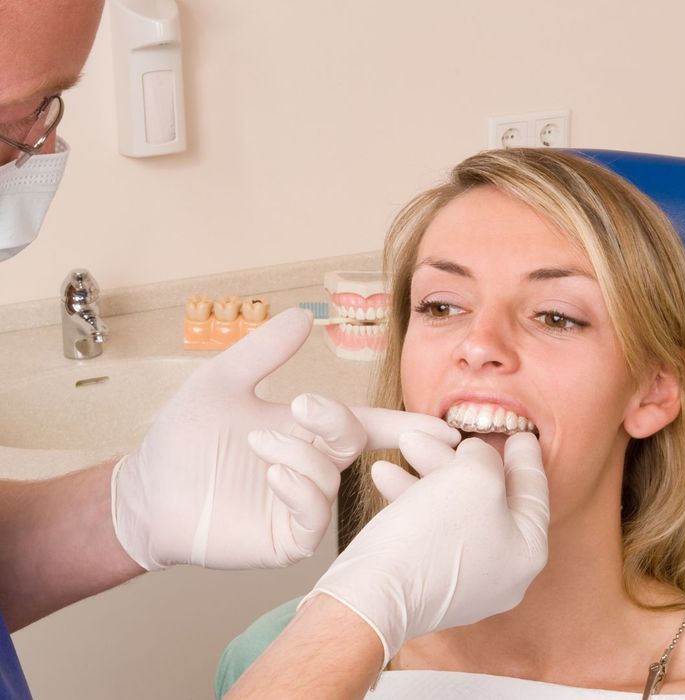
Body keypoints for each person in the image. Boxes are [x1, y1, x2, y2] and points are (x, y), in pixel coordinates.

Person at [0, 2, 462, 697]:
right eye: (442, 306)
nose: (34, 148)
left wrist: (127, 509)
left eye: (50, 104)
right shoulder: (261, 653)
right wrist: (361, 608)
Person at [216, 147, 685, 699]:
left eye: (556, 315)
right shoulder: (278, 656)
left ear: (654, 390)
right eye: (441, 307)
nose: (478, 345)